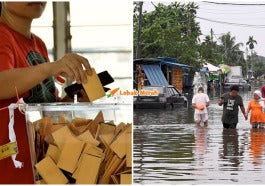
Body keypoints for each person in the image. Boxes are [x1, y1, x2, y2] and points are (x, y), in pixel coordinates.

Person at [0, 2, 92, 184]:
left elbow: (46, 111)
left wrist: (73, 98)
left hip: (40, 166)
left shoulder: (38, 44)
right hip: (9, 169)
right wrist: (51, 67)